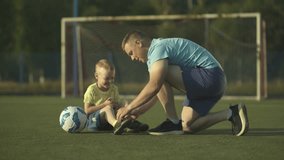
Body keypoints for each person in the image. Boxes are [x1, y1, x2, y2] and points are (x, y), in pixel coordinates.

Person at [117, 30, 249, 136]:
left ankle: (172, 122)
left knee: (160, 76)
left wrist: (129, 108)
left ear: (139, 43)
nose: (132, 58)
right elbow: (157, 92)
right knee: (187, 126)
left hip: (210, 77)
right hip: (214, 83)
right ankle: (232, 113)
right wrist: (137, 112)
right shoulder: (156, 55)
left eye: (131, 53)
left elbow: (155, 85)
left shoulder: (157, 49)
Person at [84, 59, 149, 135]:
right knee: (107, 108)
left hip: (108, 124)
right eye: (107, 78)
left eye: (112, 78)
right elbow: (87, 111)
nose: (110, 81)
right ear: (96, 76)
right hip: (95, 122)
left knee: (121, 110)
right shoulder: (91, 90)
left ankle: (133, 125)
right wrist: (104, 105)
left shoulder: (114, 88)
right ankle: (117, 125)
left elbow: (118, 104)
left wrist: (124, 107)